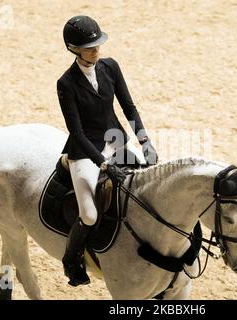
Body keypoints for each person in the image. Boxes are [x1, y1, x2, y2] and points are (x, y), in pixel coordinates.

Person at [57, 15, 158, 286]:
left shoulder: (110, 67)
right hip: (85, 152)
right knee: (89, 215)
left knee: (146, 190)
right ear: (73, 48)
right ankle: (72, 260)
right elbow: (76, 132)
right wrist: (102, 163)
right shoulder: (66, 83)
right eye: (90, 47)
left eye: (98, 45)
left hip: (116, 142)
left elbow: (129, 107)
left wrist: (144, 141)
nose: (96, 50)